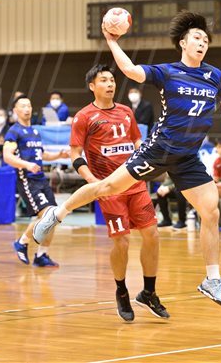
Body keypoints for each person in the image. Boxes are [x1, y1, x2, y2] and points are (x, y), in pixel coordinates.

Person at [34, 11, 221, 308]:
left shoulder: (216, 77)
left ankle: (212, 280)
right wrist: (112, 41)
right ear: (183, 43)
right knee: (107, 187)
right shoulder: (167, 72)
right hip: (158, 151)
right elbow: (131, 70)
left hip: (187, 158)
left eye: (205, 40)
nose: (202, 43)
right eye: (196, 38)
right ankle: (56, 215)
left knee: (210, 212)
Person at [70, 64, 168, 321]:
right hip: (109, 188)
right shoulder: (84, 117)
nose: (110, 84)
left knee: (152, 235)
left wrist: (146, 158)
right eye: (104, 80)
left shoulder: (126, 111)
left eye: (112, 80)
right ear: (92, 86)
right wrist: (93, 182)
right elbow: (75, 154)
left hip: (134, 182)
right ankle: (122, 291)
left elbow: (137, 141)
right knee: (122, 241)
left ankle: (148, 292)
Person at [5, 95, 68, 268]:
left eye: (29, 106)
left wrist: (59, 155)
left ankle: (41, 255)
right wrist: (26, 165)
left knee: (54, 216)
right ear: (15, 110)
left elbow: (42, 155)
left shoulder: (35, 132)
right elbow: (7, 156)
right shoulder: (14, 132)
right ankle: (22, 242)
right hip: (28, 180)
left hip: (41, 179)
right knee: (47, 215)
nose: (27, 109)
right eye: (23, 106)